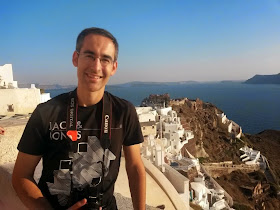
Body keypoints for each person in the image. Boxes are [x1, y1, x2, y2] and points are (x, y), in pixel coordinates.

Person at [12, 27, 146, 210]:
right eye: (89, 56)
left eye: (105, 59)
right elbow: (21, 175)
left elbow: (135, 166)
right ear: (76, 58)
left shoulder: (124, 111)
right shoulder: (46, 112)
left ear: (114, 67)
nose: (96, 66)